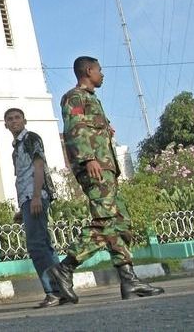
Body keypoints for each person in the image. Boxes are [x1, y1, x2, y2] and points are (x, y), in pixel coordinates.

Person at [47, 56, 164, 303]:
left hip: (105, 168)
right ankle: (65, 267)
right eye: (100, 70)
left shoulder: (92, 99)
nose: (103, 74)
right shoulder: (74, 97)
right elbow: (75, 128)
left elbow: (90, 129)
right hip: (95, 168)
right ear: (88, 71)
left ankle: (128, 280)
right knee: (105, 221)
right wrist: (89, 159)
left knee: (119, 221)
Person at [4, 108, 63, 308]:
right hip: (28, 199)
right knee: (45, 244)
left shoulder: (31, 139)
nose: (14, 122)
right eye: (10, 119)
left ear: (24, 120)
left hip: (36, 196)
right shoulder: (16, 148)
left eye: (17, 118)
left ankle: (52, 291)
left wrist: (36, 196)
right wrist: (23, 207)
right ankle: (62, 288)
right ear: (5, 125)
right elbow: (22, 176)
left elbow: (38, 167)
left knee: (36, 246)